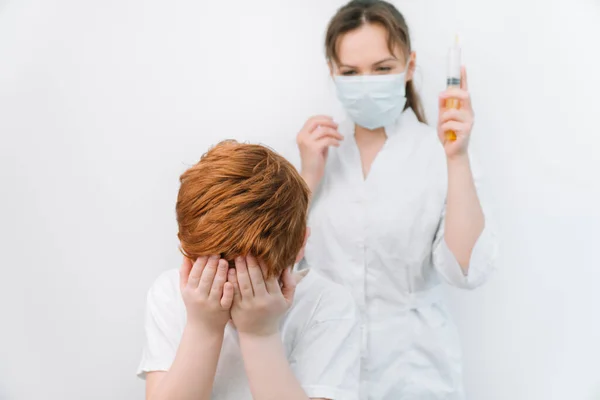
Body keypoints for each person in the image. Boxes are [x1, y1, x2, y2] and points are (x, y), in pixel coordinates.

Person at [295, 1, 498, 399]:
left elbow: (465, 270)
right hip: (325, 367)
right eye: (351, 72)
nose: (366, 81)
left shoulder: (439, 153)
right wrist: (305, 178)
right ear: (332, 73)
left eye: (383, 68)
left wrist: (456, 159)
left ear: (409, 66)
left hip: (416, 371)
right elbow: (280, 269)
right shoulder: (318, 154)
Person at [137, 141, 360, 400]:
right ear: (186, 249)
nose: (234, 294)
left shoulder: (327, 304)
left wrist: (259, 334)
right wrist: (203, 327)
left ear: (300, 247)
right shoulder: (170, 294)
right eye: (215, 276)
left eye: (256, 280)